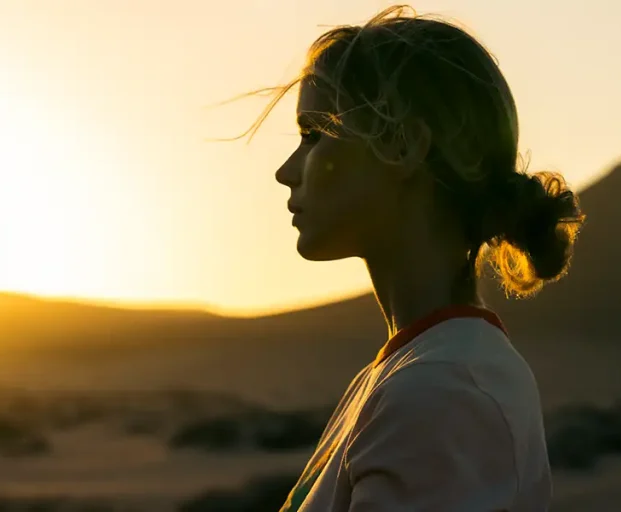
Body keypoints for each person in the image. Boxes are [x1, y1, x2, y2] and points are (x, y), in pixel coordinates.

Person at [239, 5, 585, 512]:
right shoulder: (415, 370)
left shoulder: (442, 392)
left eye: (314, 135)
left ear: (403, 146)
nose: (286, 171)